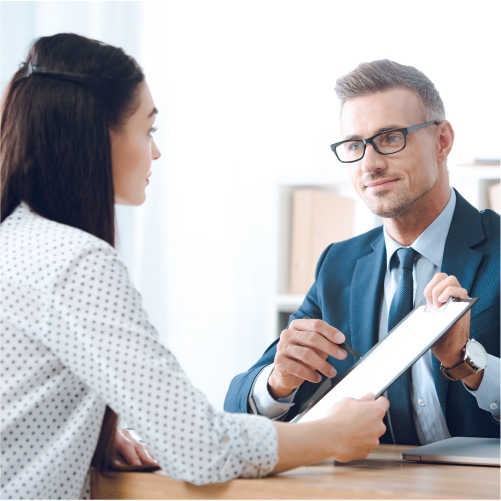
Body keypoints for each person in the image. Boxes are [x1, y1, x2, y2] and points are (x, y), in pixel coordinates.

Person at [0, 34, 390, 499]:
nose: (157, 152)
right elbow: (198, 446)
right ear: (98, 135)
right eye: (149, 131)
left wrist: (92, 436)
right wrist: (331, 436)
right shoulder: (77, 263)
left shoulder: (17, 241)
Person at [224, 60, 500, 446]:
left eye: (390, 137)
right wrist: (278, 383)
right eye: (355, 145)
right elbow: (238, 408)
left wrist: (467, 364)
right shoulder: (339, 264)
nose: (369, 164)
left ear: (442, 141)